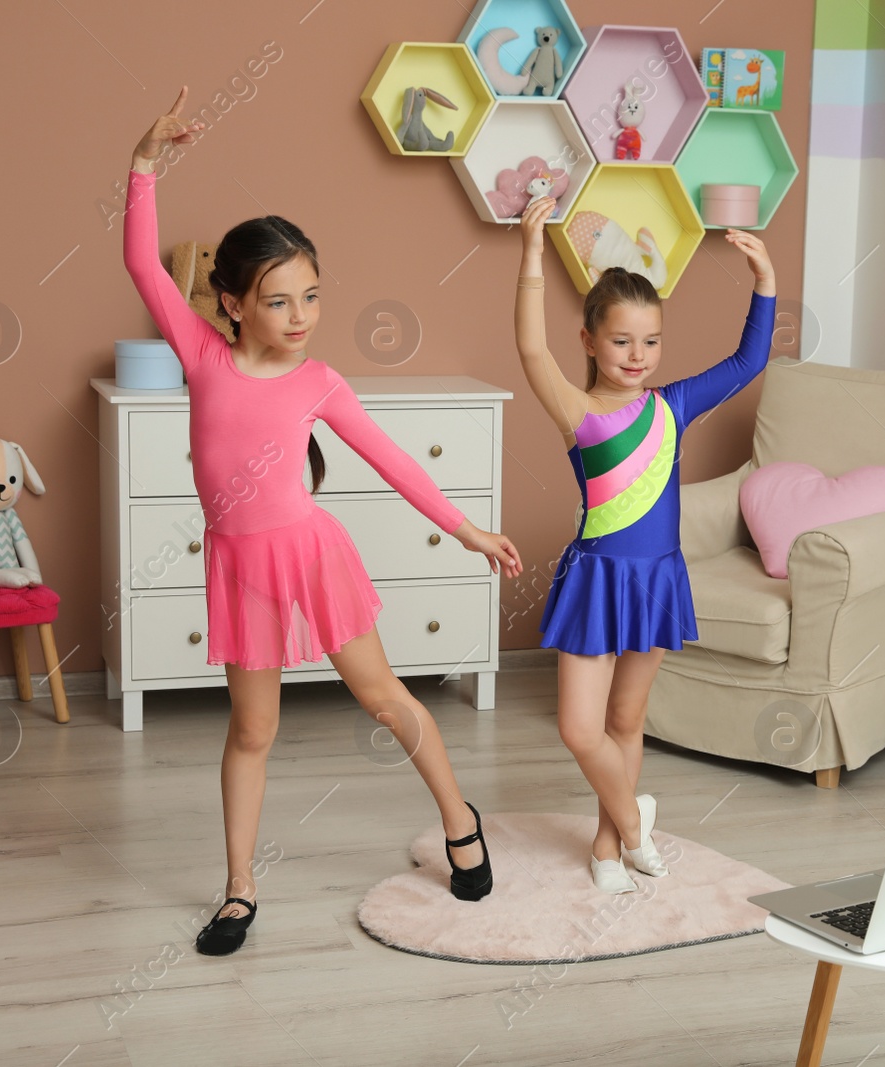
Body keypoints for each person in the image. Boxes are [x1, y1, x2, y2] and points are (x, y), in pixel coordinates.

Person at [124, 88, 523, 954]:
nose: (301, 316)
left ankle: (460, 816)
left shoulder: (320, 382)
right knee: (252, 730)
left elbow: (393, 459)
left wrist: (465, 528)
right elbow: (143, 267)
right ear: (231, 303)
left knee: (384, 698)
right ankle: (238, 889)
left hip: (310, 555)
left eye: (311, 295)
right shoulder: (200, 355)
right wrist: (144, 166)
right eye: (279, 301)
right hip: (238, 567)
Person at [512, 194, 776, 893]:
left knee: (627, 719)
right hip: (598, 579)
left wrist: (765, 285)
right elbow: (531, 348)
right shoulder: (577, 410)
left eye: (651, 342)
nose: (638, 356)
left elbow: (750, 359)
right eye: (623, 340)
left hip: (657, 576)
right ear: (590, 341)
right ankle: (635, 821)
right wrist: (533, 254)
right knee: (580, 726)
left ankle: (607, 847)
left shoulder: (673, 405)